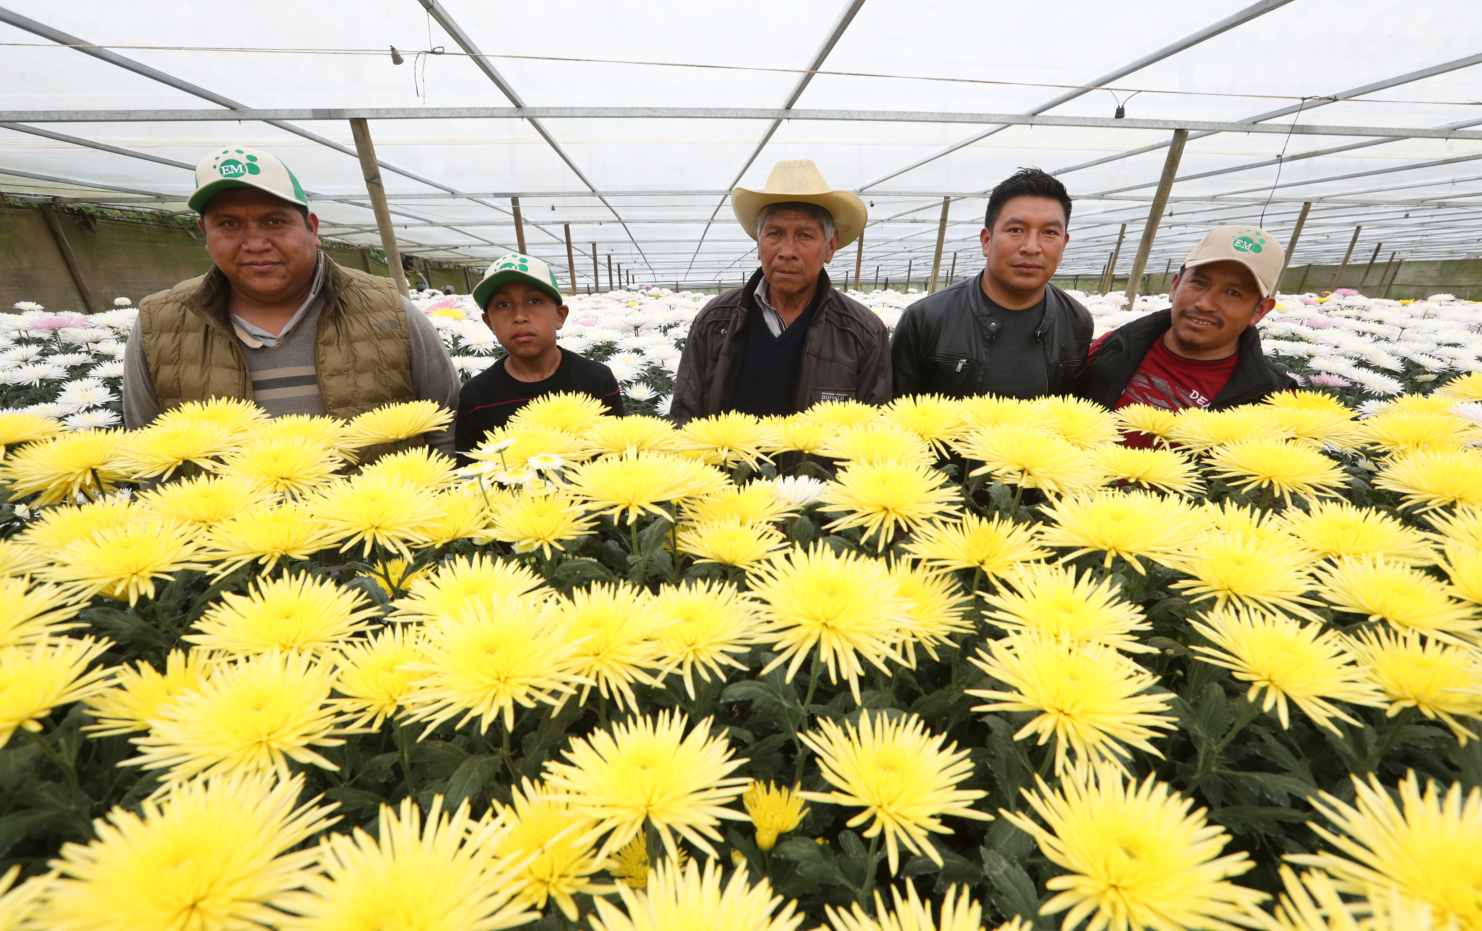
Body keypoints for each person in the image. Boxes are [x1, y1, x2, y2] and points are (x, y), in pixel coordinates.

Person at [123, 146, 460, 455]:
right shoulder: (160, 327)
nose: (255, 243)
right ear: (206, 235)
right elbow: (149, 451)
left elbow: (447, 424)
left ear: (312, 229)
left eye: (275, 221)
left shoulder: (390, 310)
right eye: (229, 224)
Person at [670, 159, 890, 423]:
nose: (787, 252)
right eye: (775, 233)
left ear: (830, 246)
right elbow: (684, 416)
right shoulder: (716, 319)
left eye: (805, 235)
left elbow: (874, 433)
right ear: (759, 243)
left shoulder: (863, 333)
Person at [1076, 225, 1297, 445]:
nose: (1205, 304)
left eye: (1233, 293)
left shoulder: (1274, 401)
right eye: (1199, 283)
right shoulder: (1114, 346)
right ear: (1174, 286)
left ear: (1260, 310)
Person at [890, 168, 1092, 399]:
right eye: (1016, 230)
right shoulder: (925, 318)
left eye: (1049, 232)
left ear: (1064, 244)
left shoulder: (1076, 320)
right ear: (987, 241)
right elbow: (896, 415)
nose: (1032, 247)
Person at [454, 253, 622, 454]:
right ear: (489, 322)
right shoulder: (476, 397)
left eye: (534, 301)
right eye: (503, 304)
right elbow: (472, 475)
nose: (519, 317)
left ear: (560, 316)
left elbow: (616, 457)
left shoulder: (597, 381)